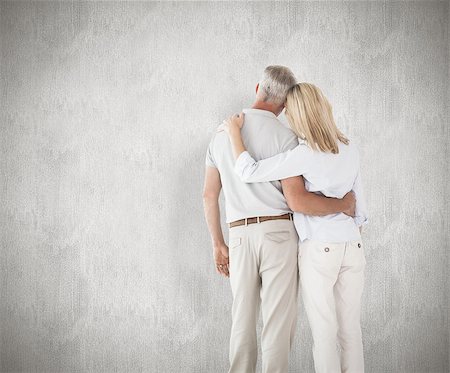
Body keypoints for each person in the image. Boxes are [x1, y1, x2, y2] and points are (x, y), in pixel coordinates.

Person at [202, 66, 357, 373]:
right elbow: (295, 197)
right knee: (277, 324)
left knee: (242, 321)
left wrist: (218, 244)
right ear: (286, 104)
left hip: (239, 236)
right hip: (279, 234)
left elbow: (209, 195)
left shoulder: (220, 136)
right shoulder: (287, 138)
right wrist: (343, 204)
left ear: (258, 87)